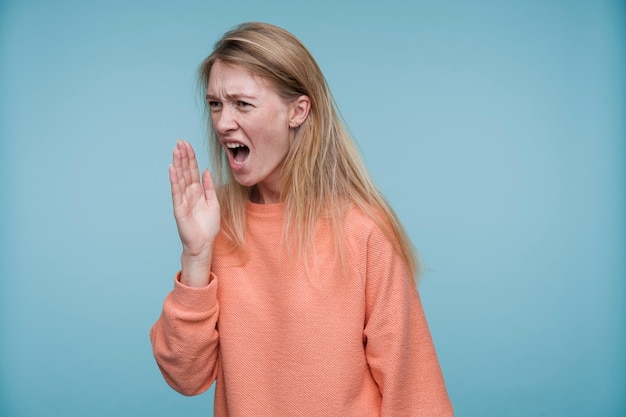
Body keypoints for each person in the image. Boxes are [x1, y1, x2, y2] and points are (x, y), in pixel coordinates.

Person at [150, 22, 453, 416]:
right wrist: (196, 253)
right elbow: (186, 377)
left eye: (242, 104)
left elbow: (415, 395)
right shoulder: (215, 222)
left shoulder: (363, 230)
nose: (223, 122)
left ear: (298, 111)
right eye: (215, 104)